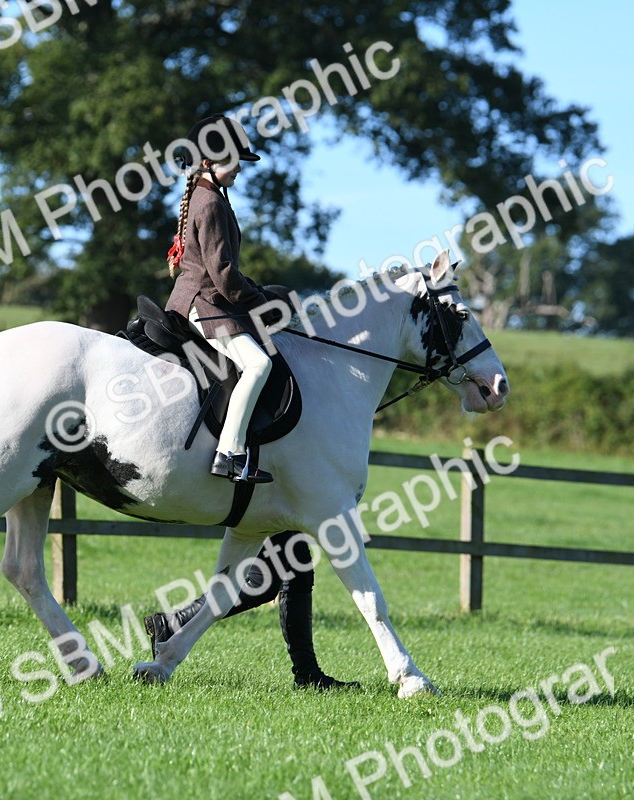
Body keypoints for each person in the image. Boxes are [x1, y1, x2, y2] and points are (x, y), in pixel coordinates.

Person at [165, 114, 278, 484]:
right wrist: (260, 300)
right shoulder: (211, 203)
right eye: (233, 162)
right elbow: (224, 274)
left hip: (205, 297)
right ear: (209, 163)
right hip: (207, 302)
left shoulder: (206, 195)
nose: (239, 170)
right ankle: (229, 453)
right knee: (259, 365)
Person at [144, 531, 360, 689]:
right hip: (267, 485)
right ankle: (172, 624)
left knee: (291, 569)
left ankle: (308, 673)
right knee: (265, 581)